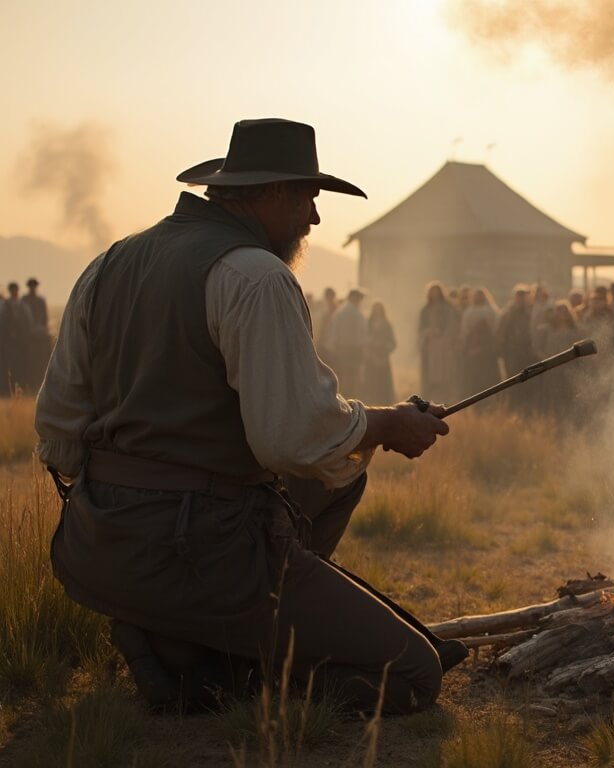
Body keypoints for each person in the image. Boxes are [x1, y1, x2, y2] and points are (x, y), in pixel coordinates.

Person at [34, 118, 463, 716]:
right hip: (204, 546)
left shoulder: (108, 265)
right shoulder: (256, 277)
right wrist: (389, 424)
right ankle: (230, 668)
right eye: (309, 196)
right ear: (274, 193)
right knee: (416, 672)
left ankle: (172, 634)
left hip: (103, 543)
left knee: (338, 479)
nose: (314, 218)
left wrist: (123, 502)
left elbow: (57, 430)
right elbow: (293, 439)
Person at [418, 281, 460, 403]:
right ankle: (428, 402)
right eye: (432, 293)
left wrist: (442, 336)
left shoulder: (448, 309)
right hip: (428, 346)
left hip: (444, 348)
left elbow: (451, 327)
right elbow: (421, 328)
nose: (435, 295)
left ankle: (443, 402)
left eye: (437, 293)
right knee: (428, 377)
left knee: (444, 376)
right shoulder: (425, 309)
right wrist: (428, 332)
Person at [323, 288, 368, 397]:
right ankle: (349, 398)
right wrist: (363, 350)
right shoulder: (356, 313)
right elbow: (361, 335)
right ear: (354, 298)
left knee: (344, 375)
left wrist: (333, 347)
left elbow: (334, 332)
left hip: (342, 349)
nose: (360, 301)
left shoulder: (340, 312)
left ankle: (344, 397)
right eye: (359, 298)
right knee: (352, 376)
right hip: (353, 349)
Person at [459, 286, 500, 398]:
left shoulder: (491, 310)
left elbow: (495, 328)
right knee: (475, 376)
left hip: (488, 348)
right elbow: (465, 330)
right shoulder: (469, 312)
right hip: (473, 347)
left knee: (488, 375)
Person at [363, 301, 397, 405]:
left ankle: (384, 402)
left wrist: (384, 346)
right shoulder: (368, 323)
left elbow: (393, 342)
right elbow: (363, 338)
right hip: (371, 358)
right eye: (375, 309)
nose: (377, 311)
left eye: (379, 309)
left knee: (383, 382)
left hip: (382, 357)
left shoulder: (387, 324)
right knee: (372, 381)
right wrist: (369, 344)